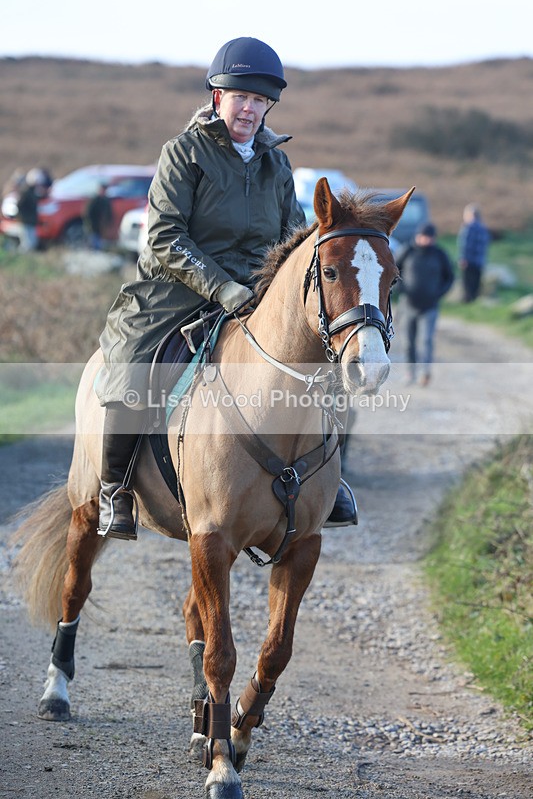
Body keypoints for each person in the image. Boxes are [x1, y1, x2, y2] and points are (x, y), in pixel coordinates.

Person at [94, 37, 357, 540]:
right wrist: (222, 289)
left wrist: (281, 288)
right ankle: (115, 487)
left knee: (322, 357)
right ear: (218, 97)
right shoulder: (183, 154)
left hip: (256, 289)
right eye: (241, 98)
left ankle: (329, 477)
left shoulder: (275, 163)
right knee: (134, 362)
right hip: (177, 289)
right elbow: (165, 236)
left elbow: (292, 237)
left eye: (260, 101)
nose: (251, 109)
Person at [396, 222, 455, 386]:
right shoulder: (407, 251)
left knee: (426, 341)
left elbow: (449, 277)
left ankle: (425, 373)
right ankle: (410, 373)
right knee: (408, 343)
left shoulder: (439, 254)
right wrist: (400, 287)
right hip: (408, 305)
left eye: (429, 238)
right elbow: (393, 270)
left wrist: (439, 293)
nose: (426, 240)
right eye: (423, 237)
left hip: (430, 307)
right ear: (417, 236)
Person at [457, 203, 490, 302]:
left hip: (468, 261)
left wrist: (463, 258)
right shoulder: (483, 228)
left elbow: (465, 244)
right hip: (479, 261)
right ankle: (474, 303)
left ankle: (467, 303)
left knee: (467, 285)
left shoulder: (467, 227)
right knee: (476, 285)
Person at [84, 183, 113, 250]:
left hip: (102, 226)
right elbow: (88, 213)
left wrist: (108, 222)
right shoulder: (94, 200)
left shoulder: (106, 201)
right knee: (93, 240)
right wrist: (90, 223)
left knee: (100, 241)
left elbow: (108, 213)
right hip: (93, 225)